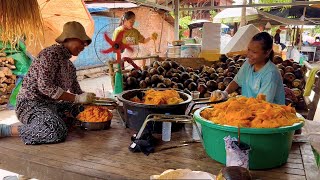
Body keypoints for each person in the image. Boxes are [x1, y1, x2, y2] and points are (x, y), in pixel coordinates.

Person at [0, 21, 96, 144]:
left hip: (50, 106)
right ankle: (6, 130)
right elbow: (45, 86)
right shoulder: (50, 54)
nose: (83, 46)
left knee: (83, 110)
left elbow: (77, 93)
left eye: (85, 44)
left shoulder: (70, 66)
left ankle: (53, 121)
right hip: (30, 105)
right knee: (55, 130)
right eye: (81, 42)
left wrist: (92, 100)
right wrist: (77, 98)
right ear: (69, 38)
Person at [211, 32, 285, 105]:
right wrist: (225, 93)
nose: (249, 55)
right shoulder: (248, 64)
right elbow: (236, 81)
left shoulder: (271, 74)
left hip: (266, 114)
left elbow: (263, 105)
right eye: (249, 50)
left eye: (254, 52)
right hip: (249, 110)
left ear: (267, 52)